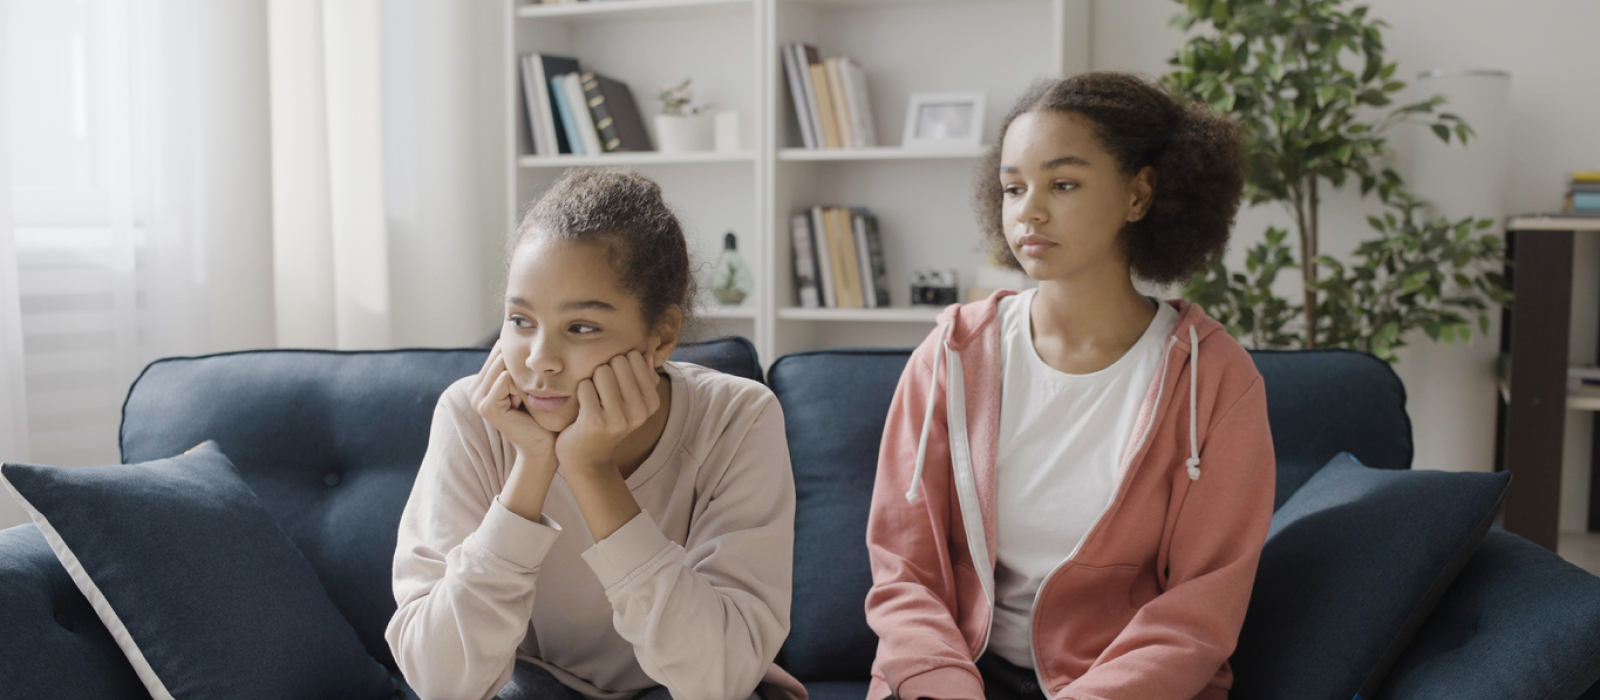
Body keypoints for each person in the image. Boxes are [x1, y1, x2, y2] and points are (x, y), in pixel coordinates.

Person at [864, 72, 1275, 700]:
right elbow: (903, 569)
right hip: (956, 677)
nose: (1028, 210)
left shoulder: (1214, 379)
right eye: (1012, 187)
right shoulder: (951, 355)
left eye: (1062, 183)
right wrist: (942, 684)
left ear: (1139, 195)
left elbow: (1202, 606)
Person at [387, 169, 801, 700]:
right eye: (520, 320)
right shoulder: (471, 418)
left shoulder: (738, 418)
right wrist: (534, 464)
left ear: (661, 334)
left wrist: (591, 469)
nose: (540, 360)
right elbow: (442, 682)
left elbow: (714, 679)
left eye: (581, 328)